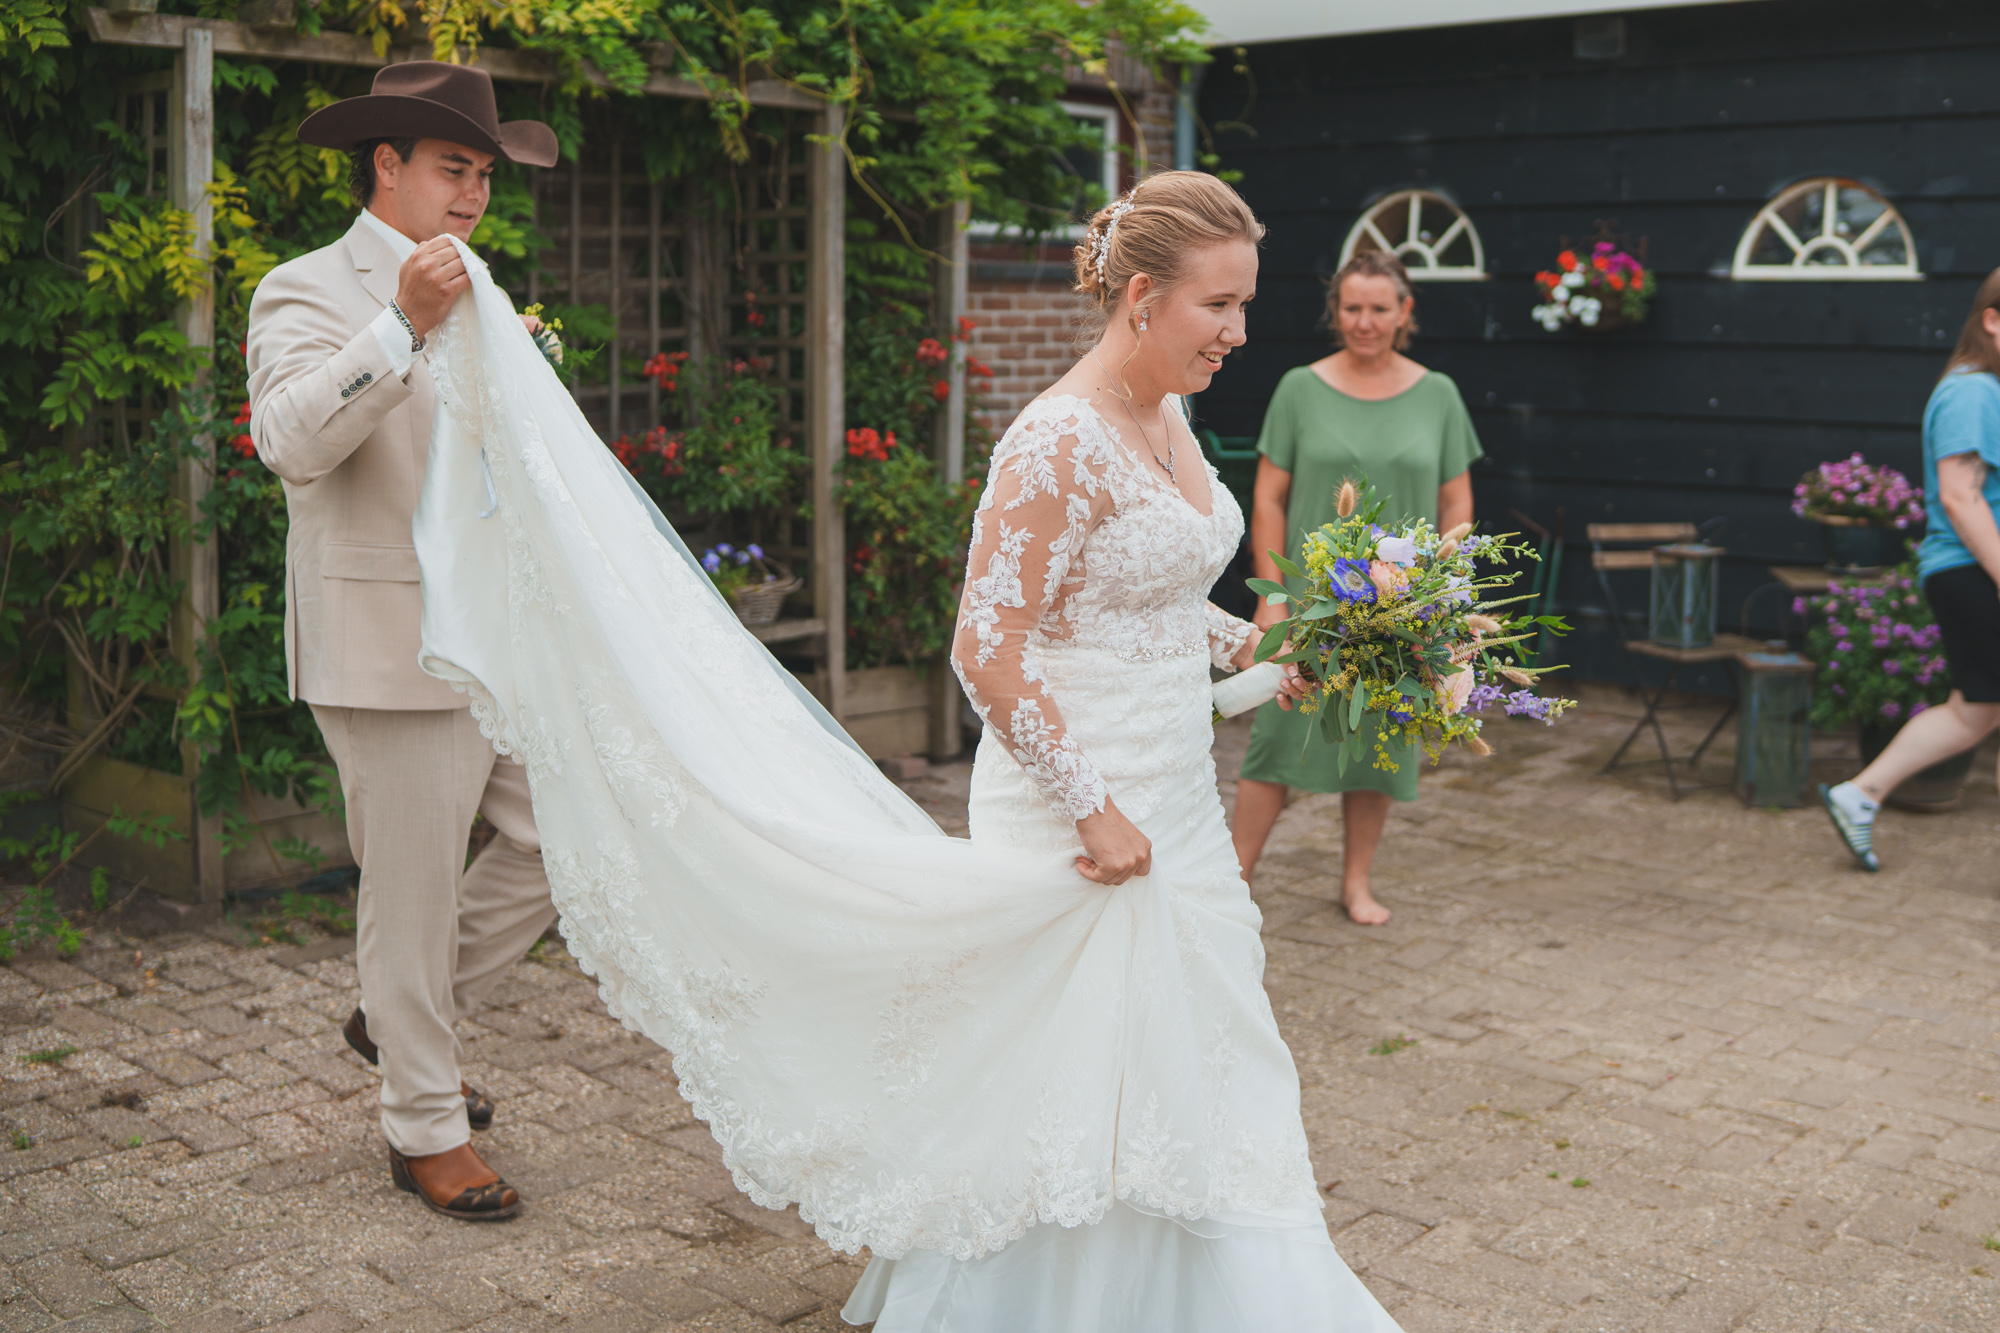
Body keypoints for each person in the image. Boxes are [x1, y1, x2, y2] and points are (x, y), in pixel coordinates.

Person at [406, 171, 1402, 1330]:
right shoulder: (1055, 441)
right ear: (1141, 299)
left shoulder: (1166, 413)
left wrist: (1262, 645)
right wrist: (1091, 805)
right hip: (1078, 804)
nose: (1236, 331)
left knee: (1194, 1055)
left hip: (1173, 790)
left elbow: (1151, 600)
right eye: (1217, 306)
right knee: (1065, 1064)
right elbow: (987, 650)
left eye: (1243, 305)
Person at [246, 62, 560, 1222]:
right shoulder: (306, 287)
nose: (473, 193)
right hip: (385, 642)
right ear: (386, 165)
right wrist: (401, 326)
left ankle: (395, 1014)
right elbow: (288, 441)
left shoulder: (484, 291)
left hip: (493, 639)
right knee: (411, 893)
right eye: (451, 168)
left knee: (562, 836)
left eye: (483, 174)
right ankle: (424, 1126)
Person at [1229, 250, 1482, 925]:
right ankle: (1232, 881)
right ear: (1334, 313)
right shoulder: (1298, 389)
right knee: (1275, 740)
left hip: (1401, 609)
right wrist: (1272, 594)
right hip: (1313, 606)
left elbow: (1457, 502)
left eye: (1378, 308)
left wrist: (1443, 591)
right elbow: (1269, 497)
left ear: (1404, 312)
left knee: (1381, 741)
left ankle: (1356, 883)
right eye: (1351, 308)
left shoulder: (1439, 394)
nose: (1364, 321)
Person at [1821, 268, 2000, 871]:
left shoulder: (1986, 391)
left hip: (1971, 572)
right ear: (1993, 321)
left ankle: (1860, 794)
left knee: (1977, 710)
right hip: (1975, 570)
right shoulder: (1973, 392)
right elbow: (1960, 496)